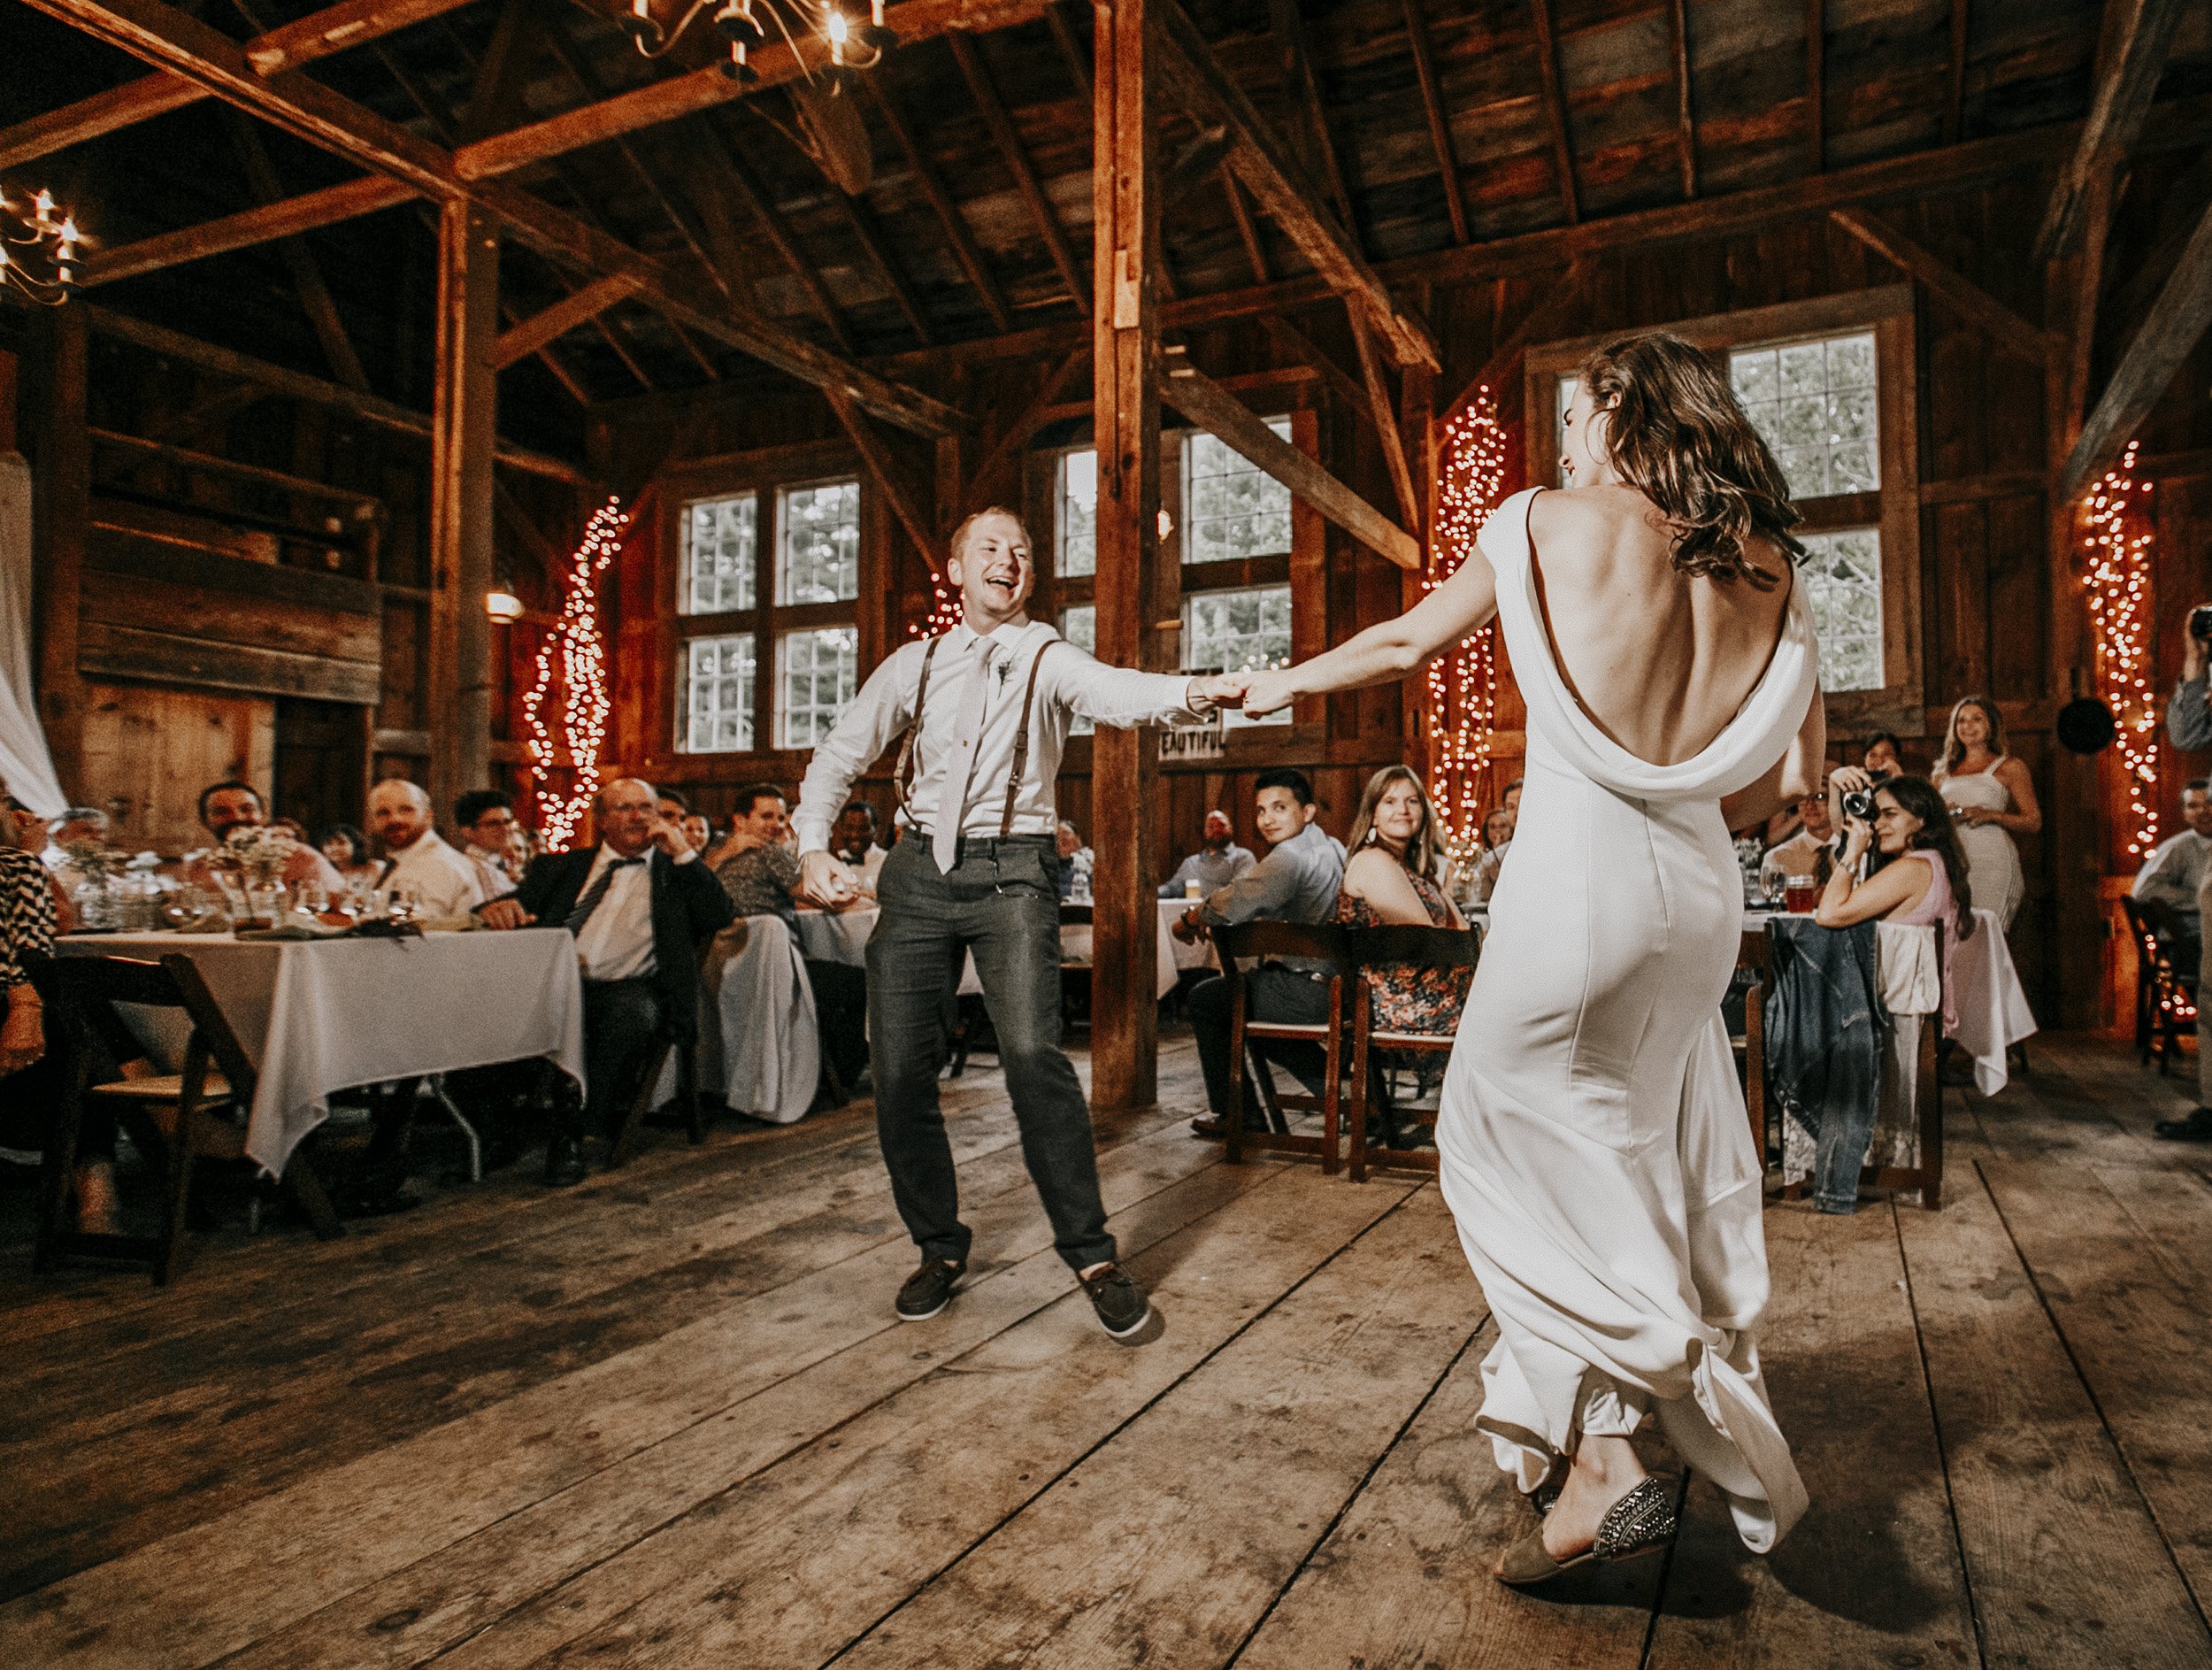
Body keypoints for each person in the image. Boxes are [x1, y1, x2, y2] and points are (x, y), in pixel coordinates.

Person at [1233, 331, 1819, 1580]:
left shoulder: (1547, 518)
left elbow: (1399, 647)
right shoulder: (1767, 558)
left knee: (1491, 1137)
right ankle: (1609, 1439)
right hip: (1701, 892)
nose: (1562, 443)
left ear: (1621, 409)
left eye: (1573, 417)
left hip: (1582, 880)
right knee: (1627, 1140)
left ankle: (1627, 1419)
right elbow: (1776, 786)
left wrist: (1265, 684)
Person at [792, 504, 1243, 1343]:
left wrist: (1197, 692)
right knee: (896, 1070)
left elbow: (1115, 690)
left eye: (1024, 551)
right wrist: (812, 843)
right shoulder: (915, 664)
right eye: (992, 548)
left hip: (1014, 875)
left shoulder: (1045, 653)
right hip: (917, 872)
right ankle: (938, 1244)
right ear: (957, 569)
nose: (1010, 559)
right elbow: (840, 753)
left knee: (1035, 1056)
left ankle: (1093, 1256)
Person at [479, 778, 734, 1184]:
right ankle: (491, 1132)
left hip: (627, 988)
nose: (637, 816)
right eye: (623, 808)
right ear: (600, 820)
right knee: (478, 1008)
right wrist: (499, 907)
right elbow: (505, 906)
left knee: (629, 1015)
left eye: (645, 808)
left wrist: (684, 853)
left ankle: (573, 1134)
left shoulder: (675, 874)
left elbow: (720, 916)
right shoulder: (560, 866)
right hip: (550, 984)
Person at [1175, 769, 1347, 1137]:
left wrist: (1190, 919)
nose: (1267, 819)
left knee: (1208, 1000)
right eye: (1261, 810)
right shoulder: (1332, 846)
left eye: (1280, 807)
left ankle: (1237, 1114)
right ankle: (1348, 1097)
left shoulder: (1289, 857)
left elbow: (1236, 900)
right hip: (1342, 984)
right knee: (1254, 1012)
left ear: (1308, 811)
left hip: (1309, 991)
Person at [1333, 766, 1468, 1148]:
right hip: (1399, 1001)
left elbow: (1460, 935)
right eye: (1389, 801)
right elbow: (1431, 941)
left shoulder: (1411, 868)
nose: (1403, 810)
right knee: (1520, 1014)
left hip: (1432, 989)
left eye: (1412, 801)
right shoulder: (1374, 861)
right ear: (1372, 813)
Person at [713, 782, 871, 1096]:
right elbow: (818, 895)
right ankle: (835, 1077)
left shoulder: (714, 856)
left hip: (721, 974)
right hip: (768, 973)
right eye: (767, 816)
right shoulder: (769, 854)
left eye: (782, 818)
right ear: (740, 820)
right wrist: (869, 898)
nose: (776, 825)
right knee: (858, 981)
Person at [1813, 774, 1973, 967]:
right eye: (1876, 816)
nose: (1878, 825)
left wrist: (1852, 853)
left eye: (1890, 814)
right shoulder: (1935, 860)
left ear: (1921, 818)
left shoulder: (1913, 869)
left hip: (1905, 995)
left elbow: (1828, 914)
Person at [1931, 696, 2039, 931]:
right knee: (1954, 935)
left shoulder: (2009, 766)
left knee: (1986, 934)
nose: (1968, 726)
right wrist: (1943, 815)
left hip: (1991, 861)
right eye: (1961, 721)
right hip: (1953, 860)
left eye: (1976, 719)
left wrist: (1990, 814)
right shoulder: (1942, 772)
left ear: (1991, 725)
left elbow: (2033, 821)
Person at [182, 781, 347, 896]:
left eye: (247, 809)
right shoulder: (198, 868)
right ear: (204, 822)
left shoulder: (302, 857)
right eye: (221, 812)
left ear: (263, 815)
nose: (236, 817)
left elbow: (337, 904)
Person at [367, 780, 489, 920]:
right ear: (372, 822)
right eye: (383, 813)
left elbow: (418, 928)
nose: (395, 819)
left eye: (406, 810)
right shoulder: (407, 858)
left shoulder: (436, 863)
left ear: (428, 816)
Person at [2131, 779, 2212, 926]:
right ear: (2185, 814)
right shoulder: (2178, 847)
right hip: (2191, 939)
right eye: (2193, 806)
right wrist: (2202, 899)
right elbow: (2144, 891)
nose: (2203, 811)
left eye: (2209, 803)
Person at [1158, 810, 1256, 898]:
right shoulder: (1190, 863)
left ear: (1231, 828)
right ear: (1205, 831)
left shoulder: (1243, 857)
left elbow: (1240, 891)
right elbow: (1171, 889)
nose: (1216, 830)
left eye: (1221, 825)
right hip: (1192, 916)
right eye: (1211, 826)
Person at [1767, 781, 1843, 881]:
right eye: (1803, 799)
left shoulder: (1856, 851)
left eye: (1820, 797)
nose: (1810, 806)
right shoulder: (1778, 857)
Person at [454, 790, 522, 896]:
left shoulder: (504, 865)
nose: (505, 829)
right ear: (468, 832)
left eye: (507, 822)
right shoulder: (467, 870)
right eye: (493, 824)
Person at [832, 800, 887, 895]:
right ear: (841, 829)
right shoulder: (833, 860)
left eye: (863, 829)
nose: (855, 835)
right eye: (849, 828)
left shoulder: (886, 862)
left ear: (876, 831)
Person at [319, 824, 377, 891]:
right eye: (329, 844)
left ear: (356, 845)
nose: (334, 848)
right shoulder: (323, 873)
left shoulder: (374, 868)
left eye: (341, 843)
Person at [1055, 820, 1094, 901]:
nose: (1061, 838)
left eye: (1066, 833)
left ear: (1077, 839)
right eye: (1058, 835)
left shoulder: (1090, 861)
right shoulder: (1049, 864)